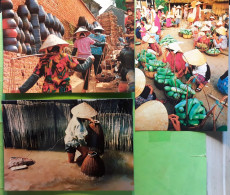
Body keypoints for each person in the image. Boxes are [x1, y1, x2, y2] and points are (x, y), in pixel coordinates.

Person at [15, 34, 94, 93]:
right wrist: (90, 59)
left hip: (48, 92)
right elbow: (82, 68)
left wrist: (20, 90)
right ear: (59, 47)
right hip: (64, 93)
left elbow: (34, 77)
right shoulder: (66, 57)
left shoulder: (43, 60)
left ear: (48, 48)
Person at [72, 27, 104, 92]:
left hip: (80, 58)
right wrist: (103, 44)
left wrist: (71, 57)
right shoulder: (88, 39)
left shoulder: (76, 41)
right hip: (88, 58)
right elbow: (97, 44)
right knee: (87, 73)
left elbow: (74, 51)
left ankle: (84, 85)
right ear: (85, 34)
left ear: (79, 35)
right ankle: (85, 88)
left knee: (83, 72)